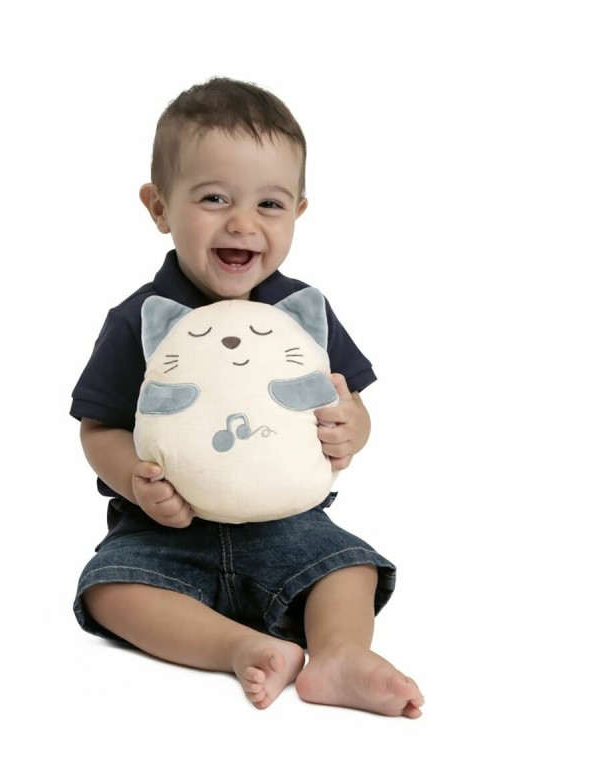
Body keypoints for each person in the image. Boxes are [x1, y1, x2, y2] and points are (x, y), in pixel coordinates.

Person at [71, 77, 424, 717]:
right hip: (165, 531)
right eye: (214, 198)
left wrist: (352, 427)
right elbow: (98, 428)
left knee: (349, 566)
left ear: (298, 212)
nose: (242, 222)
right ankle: (243, 647)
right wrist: (135, 481)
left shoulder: (300, 313)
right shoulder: (141, 319)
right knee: (108, 589)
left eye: (269, 204)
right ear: (159, 207)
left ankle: (340, 654)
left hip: (286, 523)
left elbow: (349, 400)